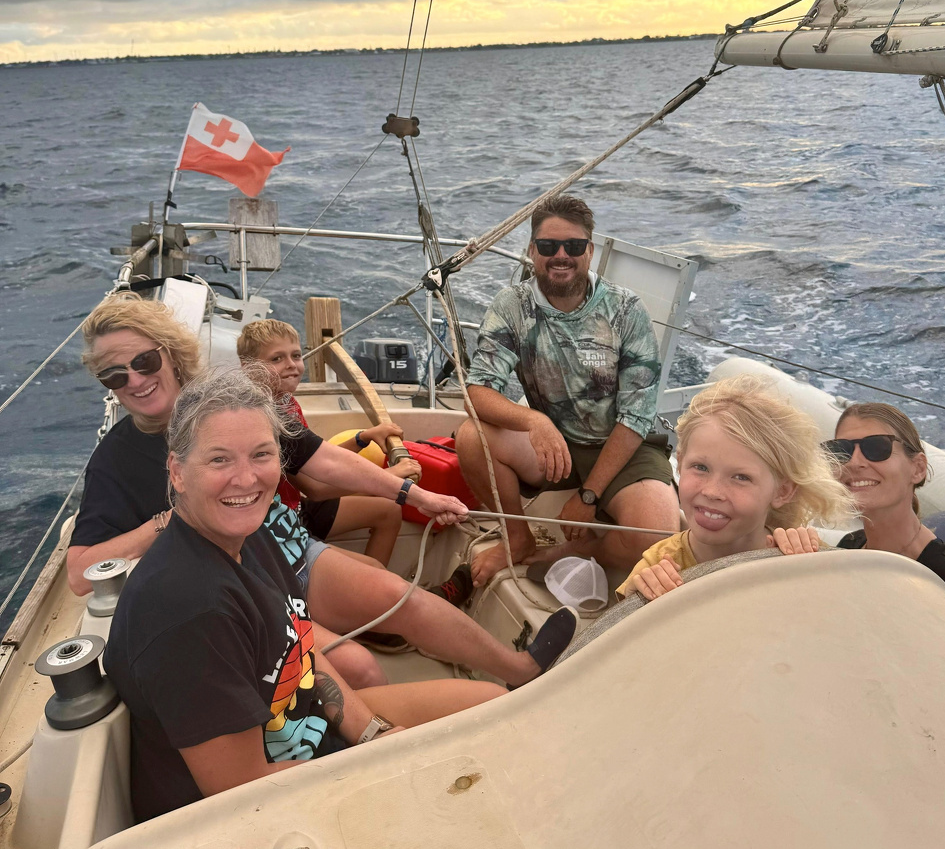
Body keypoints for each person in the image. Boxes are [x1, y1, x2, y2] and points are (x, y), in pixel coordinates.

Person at [73, 294, 576, 690]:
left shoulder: (225, 403)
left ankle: (519, 668)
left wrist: (412, 496)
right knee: (358, 669)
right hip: (230, 589)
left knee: (396, 595)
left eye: (143, 361)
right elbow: (80, 572)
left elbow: (315, 457)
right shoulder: (115, 460)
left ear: (168, 350)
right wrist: (164, 524)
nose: (134, 380)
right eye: (114, 374)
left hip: (289, 548)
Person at [103, 367, 508, 822]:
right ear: (177, 472)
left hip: (305, 728)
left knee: (493, 709)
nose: (246, 479)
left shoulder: (248, 538)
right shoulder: (188, 613)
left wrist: (374, 735)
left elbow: (301, 647)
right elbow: (244, 793)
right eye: (219, 460)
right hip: (265, 804)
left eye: (262, 454)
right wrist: (385, 764)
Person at [455, 193, 679, 588]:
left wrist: (588, 496)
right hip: (554, 440)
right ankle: (518, 538)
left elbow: (637, 414)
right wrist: (534, 420)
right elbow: (479, 390)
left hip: (623, 443)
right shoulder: (512, 305)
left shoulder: (625, 311)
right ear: (532, 251)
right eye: (548, 246)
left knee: (658, 538)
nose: (561, 255)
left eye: (573, 246)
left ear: (590, 251)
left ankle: (577, 550)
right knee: (471, 438)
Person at [618, 376, 855, 602]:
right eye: (700, 467)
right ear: (679, 463)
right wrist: (634, 601)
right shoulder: (656, 565)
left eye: (740, 477)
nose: (712, 492)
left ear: (782, 492)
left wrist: (812, 572)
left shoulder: (798, 557)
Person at [236, 318, 415, 565]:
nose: (291, 365)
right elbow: (316, 487)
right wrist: (390, 477)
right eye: (276, 359)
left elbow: (316, 460)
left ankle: (371, 596)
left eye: (296, 356)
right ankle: (372, 591)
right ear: (248, 367)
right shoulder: (263, 417)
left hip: (296, 506)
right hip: (279, 524)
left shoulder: (286, 402)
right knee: (372, 568)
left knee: (389, 512)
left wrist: (362, 438)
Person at [829, 403, 945, 632]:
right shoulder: (848, 548)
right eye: (842, 450)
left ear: (918, 468)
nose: (854, 462)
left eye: (877, 447)